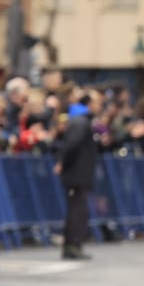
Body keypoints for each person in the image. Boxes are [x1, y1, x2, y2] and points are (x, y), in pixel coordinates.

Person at [54, 99, 98, 261]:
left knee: (78, 210)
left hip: (77, 174)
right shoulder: (80, 123)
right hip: (77, 174)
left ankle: (73, 246)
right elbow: (72, 144)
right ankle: (72, 246)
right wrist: (62, 162)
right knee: (77, 211)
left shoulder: (78, 122)